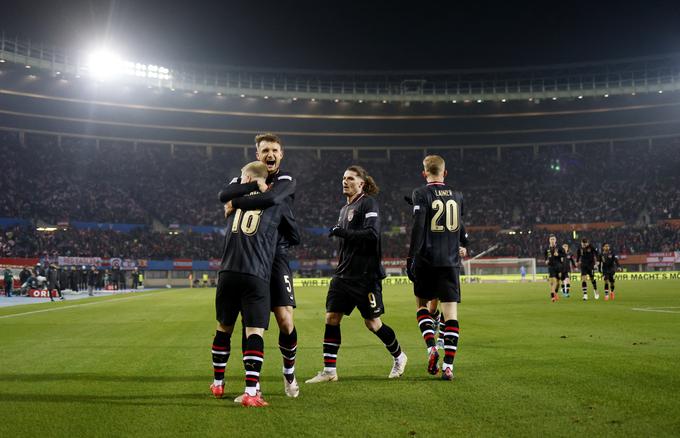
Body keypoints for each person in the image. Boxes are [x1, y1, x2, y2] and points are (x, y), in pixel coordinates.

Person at [306, 165, 407, 384]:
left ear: (361, 183)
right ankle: (329, 371)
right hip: (343, 275)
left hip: (365, 276)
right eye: (343, 178)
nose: (345, 181)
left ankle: (399, 357)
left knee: (372, 323)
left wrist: (341, 232)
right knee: (331, 318)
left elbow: (372, 234)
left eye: (350, 178)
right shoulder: (344, 209)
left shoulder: (368, 203)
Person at [220, 133, 301, 399]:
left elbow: (271, 200)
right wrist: (248, 187)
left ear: (281, 154)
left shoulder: (286, 179)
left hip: (274, 254)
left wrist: (238, 202)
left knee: (285, 320)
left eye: (275, 150)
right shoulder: (244, 175)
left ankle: (289, 373)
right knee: (251, 322)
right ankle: (252, 384)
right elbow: (224, 195)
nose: (270, 154)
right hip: (251, 254)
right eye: (265, 150)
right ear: (258, 155)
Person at [210, 161, 290, 408]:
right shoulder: (273, 201)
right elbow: (292, 231)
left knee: (223, 328)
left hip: (227, 272)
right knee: (254, 332)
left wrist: (239, 195)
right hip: (256, 273)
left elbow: (226, 195)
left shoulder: (232, 204)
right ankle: (250, 392)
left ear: (247, 177)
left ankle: (218, 383)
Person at [406, 155, 467, 380]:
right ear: (445, 172)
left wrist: (410, 257)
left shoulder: (420, 193)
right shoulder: (458, 195)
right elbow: (460, 228)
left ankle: (432, 348)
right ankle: (449, 366)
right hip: (450, 262)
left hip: (426, 260)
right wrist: (463, 245)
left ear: (424, 173)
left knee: (423, 307)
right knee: (451, 317)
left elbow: (418, 226)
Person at [544, 235, 565, 303]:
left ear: (555, 240)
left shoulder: (559, 248)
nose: (552, 240)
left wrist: (558, 255)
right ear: (549, 240)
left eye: (553, 239)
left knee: (558, 283)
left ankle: (555, 293)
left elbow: (564, 254)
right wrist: (546, 260)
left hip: (558, 266)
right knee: (553, 281)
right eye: (551, 239)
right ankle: (552, 296)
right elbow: (545, 256)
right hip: (551, 266)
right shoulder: (547, 248)